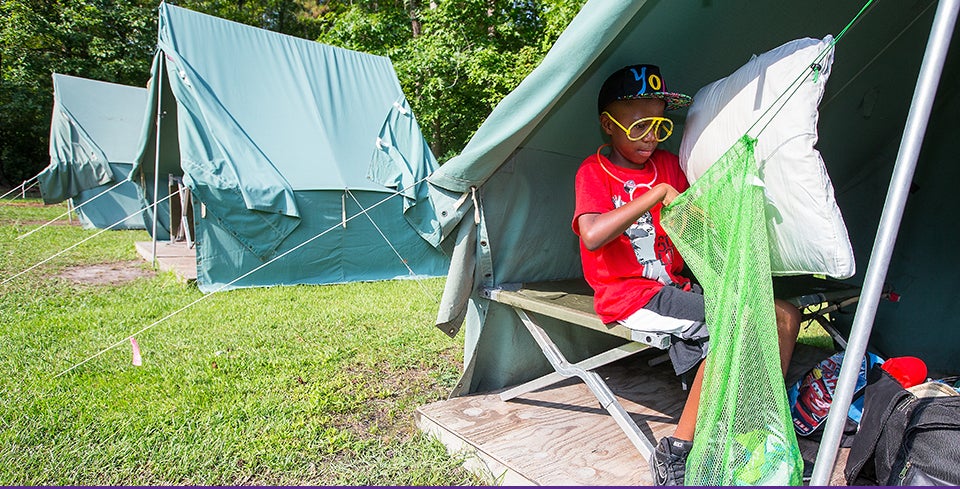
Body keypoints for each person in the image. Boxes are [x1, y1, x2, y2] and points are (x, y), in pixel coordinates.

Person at [571, 64, 801, 486]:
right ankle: (676, 449)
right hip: (631, 295)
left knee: (783, 313)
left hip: (675, 286)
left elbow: (696, 224)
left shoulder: (668, 165)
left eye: (659, 124)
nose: (652, 136)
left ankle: (761, 429)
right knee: (732, 321)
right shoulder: (594, 172)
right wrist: (656, 195)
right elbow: (591, 235)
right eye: (640, 124)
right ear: (608, 124)